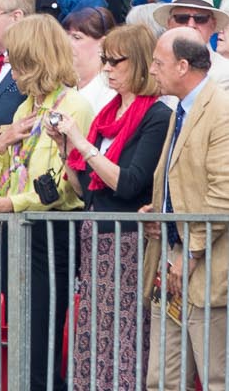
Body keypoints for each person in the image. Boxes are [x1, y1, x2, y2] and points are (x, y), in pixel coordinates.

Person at [0, 15, 92, 391]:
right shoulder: (23, 110)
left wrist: (9, 206)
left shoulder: (74, 105)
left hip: (51, 235)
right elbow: (7, 179)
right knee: (20, 333)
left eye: (17, 65)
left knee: (41, 336)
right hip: (19, 230)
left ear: (35, 62)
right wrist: (2, 147)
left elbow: (64, 188)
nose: (13, 75)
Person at [47, 21, 168, 390]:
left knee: (126, 332)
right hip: (96, 238)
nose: (107, 69)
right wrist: (65, 147)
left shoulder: (156, 115)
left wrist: (82, 145)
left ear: (142, 62)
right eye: (105, 60)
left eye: (117, 61)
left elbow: (130, 183)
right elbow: (87, 188)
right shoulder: (106, 115)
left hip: (130, 242)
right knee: (95, 331)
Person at [146, 27, 229, 391]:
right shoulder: (180, 108)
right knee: (162, 380)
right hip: (174, 261)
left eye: (157, 63)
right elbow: (181, 177)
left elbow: (223, 194)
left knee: (215, 378)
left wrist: (191, 253)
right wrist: (159, 210)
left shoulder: (221, 111)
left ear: (182, 66)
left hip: (207, 266)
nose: (151, 70)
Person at [63, 5, 122, 113]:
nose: (66, 43)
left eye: (77, 37)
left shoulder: (110, 90)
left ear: (102, 43)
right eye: (66, 35)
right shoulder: (63, 83)